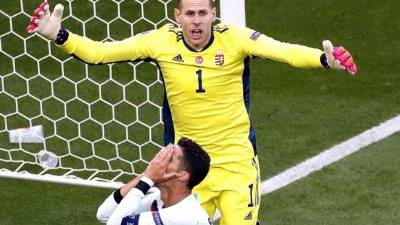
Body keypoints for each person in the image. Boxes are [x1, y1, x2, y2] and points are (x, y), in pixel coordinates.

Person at [27, 0, 357, 224]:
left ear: (213, 13)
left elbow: (283, 51)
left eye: (202, 13)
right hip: (186, 173)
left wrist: (324, 59)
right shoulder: (160, 42)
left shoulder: (236, 40)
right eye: (189, 13)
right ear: (177, 15)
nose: (196, 21)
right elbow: (101, 53)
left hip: (236, 166)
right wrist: (59, 35)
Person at [96, 137, 212, 225]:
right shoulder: (159, 199)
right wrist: (146, 174)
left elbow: (115, 223)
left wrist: (148, 179)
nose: (158, 162)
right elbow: (104, 214)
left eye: (168, 158)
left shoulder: (183, 215)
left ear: (182, 176)